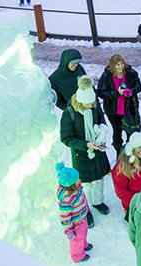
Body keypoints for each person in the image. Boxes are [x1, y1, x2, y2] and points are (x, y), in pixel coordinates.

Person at [60, 75, 111, 217]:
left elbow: (101, 117)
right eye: (89, 104)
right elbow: (66, 138)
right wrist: (85, 144)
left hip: (97, 150)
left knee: (99, 179)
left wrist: (102, 129)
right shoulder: (69, 113)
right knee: (85, 184)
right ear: (81, 101)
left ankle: (97, 202)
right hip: (81, 154)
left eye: (93, 103)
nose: (92, 106)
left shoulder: (94, 104)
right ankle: (85, 208)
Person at [97, 54, 141, 157]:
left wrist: (131, 91)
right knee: (117, 131)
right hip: (113, 110)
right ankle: (118, 151)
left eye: (122, 64)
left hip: (129, 108)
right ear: (112, 66)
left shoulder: (131, 73)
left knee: (131, 131)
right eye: (117, 65)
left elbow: (139, 86)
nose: (120, 67)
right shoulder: (106, 76)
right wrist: (116, 93)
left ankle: (130, 151)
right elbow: (100, 93)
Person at [55, 162, 94, 263]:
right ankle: (77, 255)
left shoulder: (78, 189)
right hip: (75, 224)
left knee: (84, 232)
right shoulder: (66, 199)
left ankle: (83, 244)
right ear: (70, 185)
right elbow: (65, 217)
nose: (79, 180)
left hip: (82, 217)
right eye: (77, 180)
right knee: (76, 240)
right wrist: (69, 230)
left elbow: (83, 200)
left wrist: (87, 209)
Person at [111, 132, 141, 221]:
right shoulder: (122, 167)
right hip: (134, 202)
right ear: (132, 148)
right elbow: (121, 191)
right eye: (139, 147)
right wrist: (136, 202)